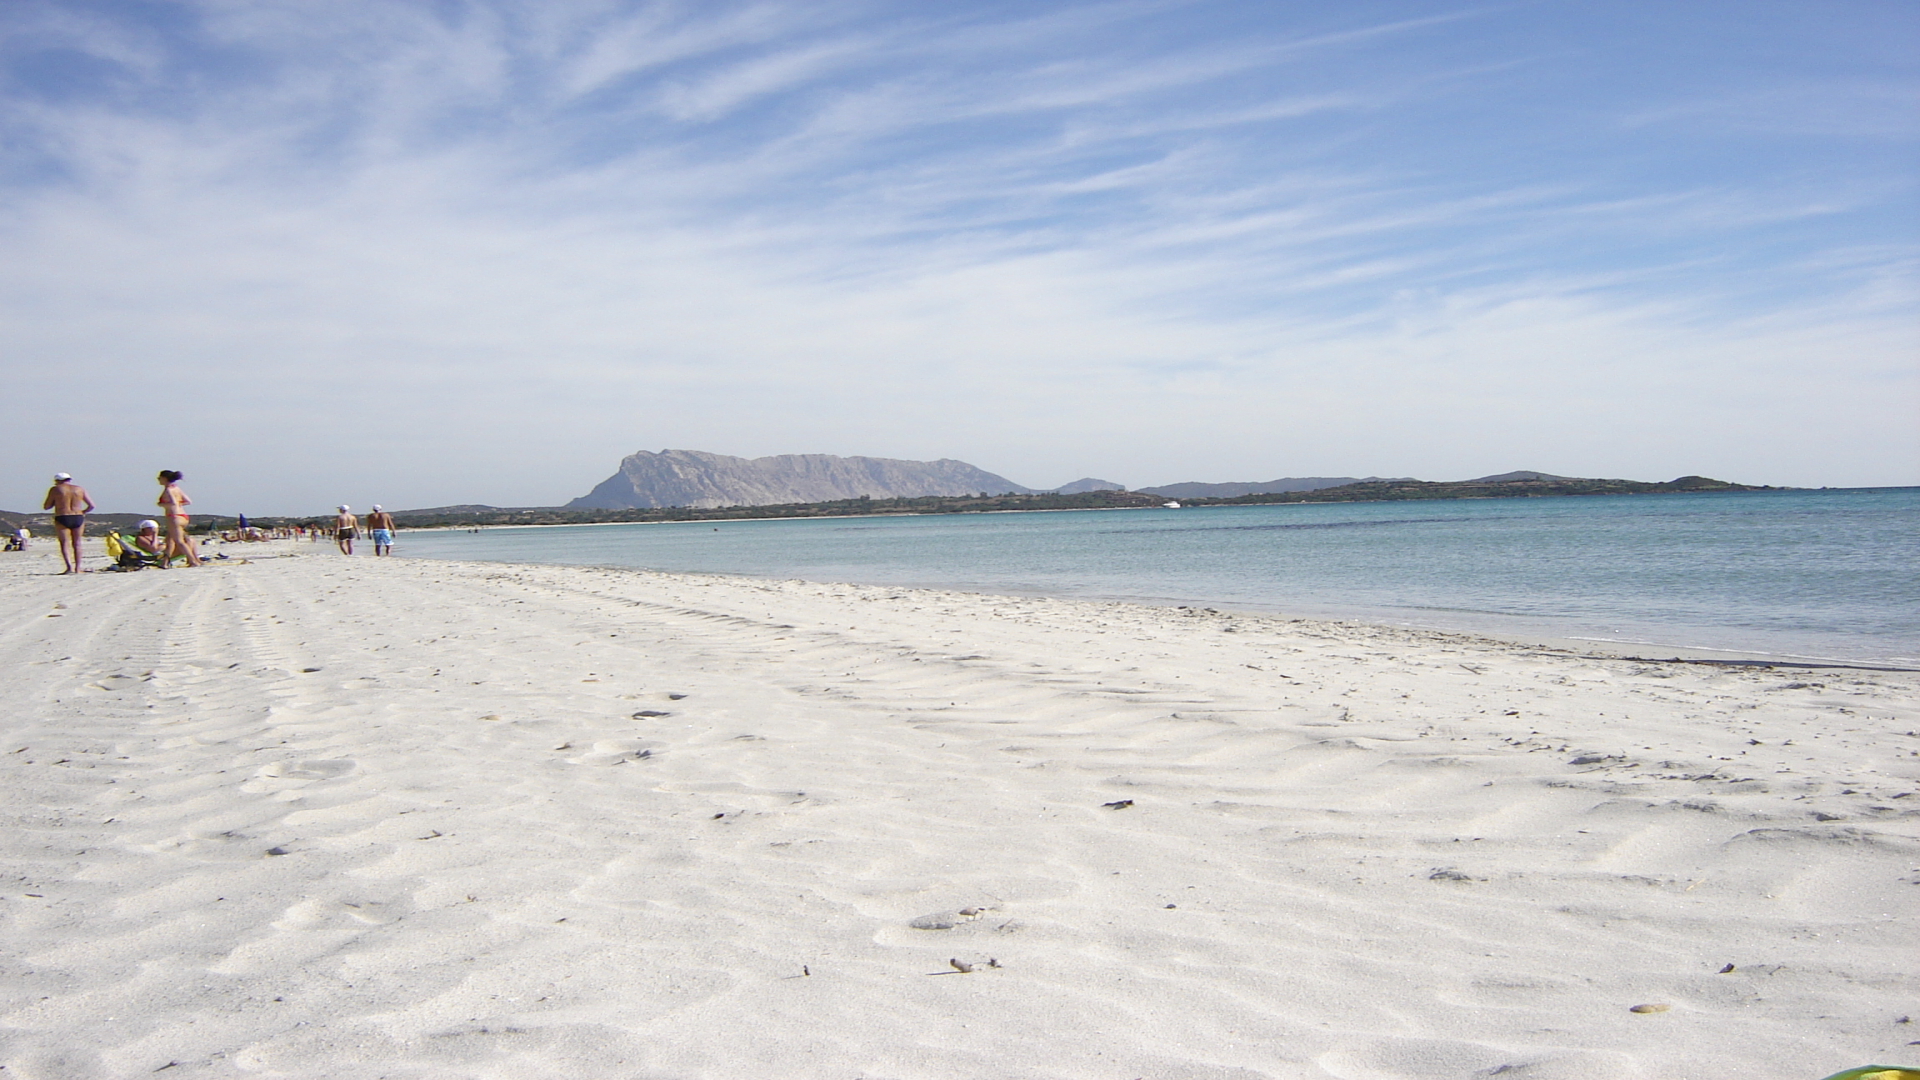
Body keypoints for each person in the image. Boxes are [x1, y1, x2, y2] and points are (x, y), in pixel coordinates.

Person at [42, 472, 95, 574]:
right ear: (69, 479)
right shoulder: (80, 489)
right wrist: (83, 512)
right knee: (77, 543)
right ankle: (78, 568)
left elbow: (46, 506)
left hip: (63, 516)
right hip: (77, 516)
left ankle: (69, 568)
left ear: (57, 481)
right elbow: (92, 506)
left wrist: (56, 502)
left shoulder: (55, 489)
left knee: (65, 543)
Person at [156, 470, 203, 567]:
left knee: (179, 541)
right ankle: (165, 562)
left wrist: (162, 504)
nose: (158, 480)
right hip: (183, 516)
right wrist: (179, 504)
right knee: (169, 540)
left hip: (174, 517)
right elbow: (188, 501)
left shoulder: (168, 489)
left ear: (164, 479)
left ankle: (192, 561)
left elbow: (173, 503)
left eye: (159, 478)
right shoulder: (177, 488)